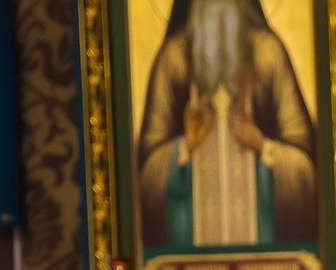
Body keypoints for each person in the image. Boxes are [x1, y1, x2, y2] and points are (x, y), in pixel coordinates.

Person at [134, 0, 319, 249]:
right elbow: (146, 174)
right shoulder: (174, 58)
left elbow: (306, 166)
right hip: (187, 251)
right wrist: (185, 148)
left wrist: (263, 147)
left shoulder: (268, 53)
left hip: (265, 249)